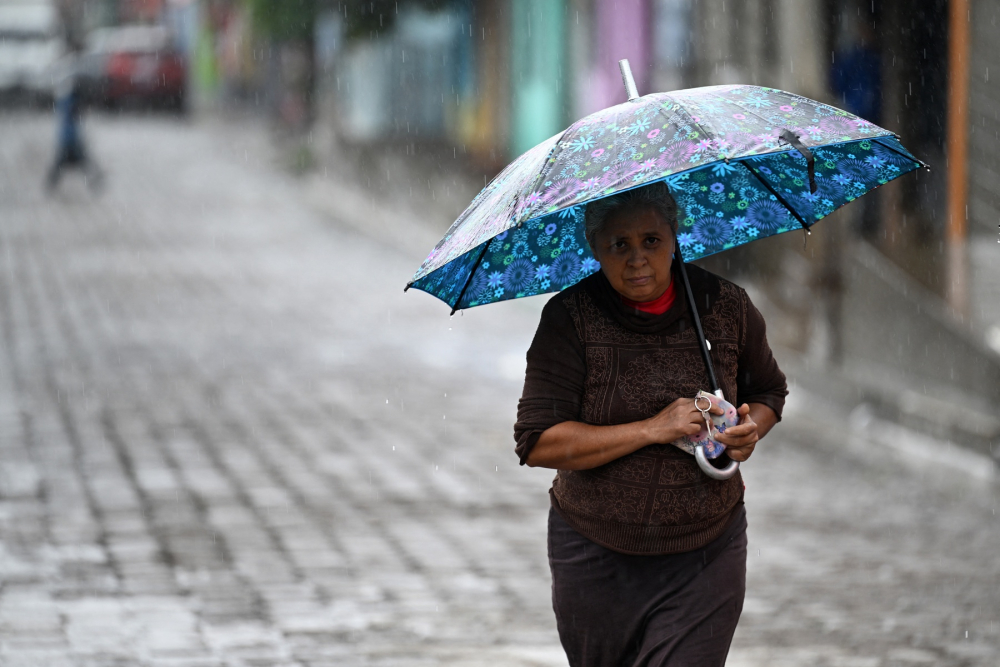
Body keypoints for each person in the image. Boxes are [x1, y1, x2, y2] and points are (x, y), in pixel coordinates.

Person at [514, 181, 787, 666]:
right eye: (619, 245)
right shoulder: (569, 319)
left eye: (651, 241)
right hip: (596, 557)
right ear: (595, 248)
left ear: (674, 237)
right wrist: (651, 428)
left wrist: (750, 430)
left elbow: (767, 391)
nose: (637, 258)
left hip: (706, 550)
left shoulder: (725, 307)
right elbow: (538, 442)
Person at [46, 61, 103, 192]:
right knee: (75, 162)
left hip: (69, 139)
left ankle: (51, 184)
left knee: (68, 164)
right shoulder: (71, 103)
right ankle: (95, 181)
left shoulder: (69, 101)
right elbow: (71, 112)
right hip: (69, 140)